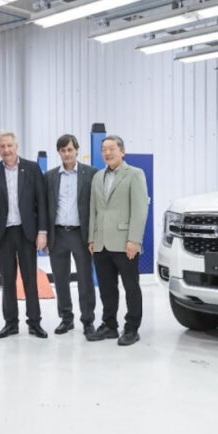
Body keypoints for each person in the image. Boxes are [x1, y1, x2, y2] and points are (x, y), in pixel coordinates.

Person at [0, 131, 49, 339]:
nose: (6, 150)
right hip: (4, 233)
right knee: (8, 280)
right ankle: (11, 323)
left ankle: (34, 322)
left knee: (30, 280)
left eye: (9, 145)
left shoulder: (32, 169)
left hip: (27, 233)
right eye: (2, 147)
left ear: (16, 146)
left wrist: (42, 232)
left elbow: (41, 201)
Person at [87, 135, 149, 346]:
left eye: (112, 148)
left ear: (122, 151)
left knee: (131, 287)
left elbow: (140, 210)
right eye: (104, 149)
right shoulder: (97, 177)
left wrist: (134, 240)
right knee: (106, 287)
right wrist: (91, 238)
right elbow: (93, 210)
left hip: (125, 243)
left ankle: (132, 328)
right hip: (101, 242)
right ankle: (109, 325)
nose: (107, 152)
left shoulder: (134, 174)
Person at [45, 134, 97, 336]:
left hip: (80, 235)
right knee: (60, 279)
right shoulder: (49, 176)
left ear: (77, 151)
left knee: (85, 279)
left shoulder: (90, 174)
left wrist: (94, 236)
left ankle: (88, 321)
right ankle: (66, 319)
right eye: (62, 150)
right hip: (57, 234)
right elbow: (43, 206)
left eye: (69, 150)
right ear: (58, 152)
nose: (66, 153)